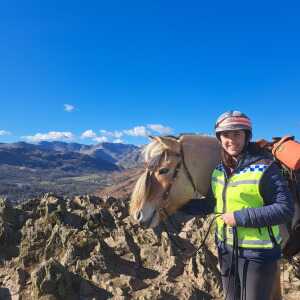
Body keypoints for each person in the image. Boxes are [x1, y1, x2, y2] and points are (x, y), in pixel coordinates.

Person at [180, 110, 294, 300]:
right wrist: (176, 206)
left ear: (247, 136)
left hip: (259, 254)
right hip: (226, 250)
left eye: (237, 134)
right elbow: (213, 204)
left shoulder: (265, 168)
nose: (231, 140)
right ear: (219, 138)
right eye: (226, 134)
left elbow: (285, 208)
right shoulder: (218, 171)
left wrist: (239, 217)